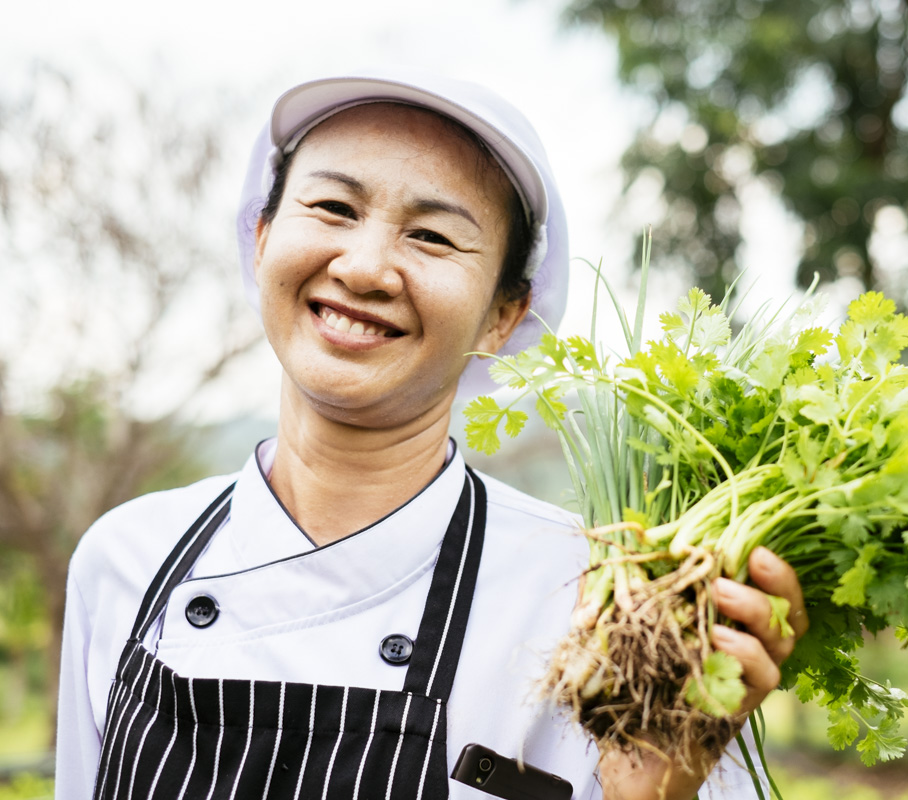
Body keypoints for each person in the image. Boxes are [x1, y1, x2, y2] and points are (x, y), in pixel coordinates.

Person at [54, 66, 807, 800]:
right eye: (332, 208)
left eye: (434, 237)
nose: (365, 267)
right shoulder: (127, 558)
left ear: (505, 314)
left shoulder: (603, 602)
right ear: (261, 236)